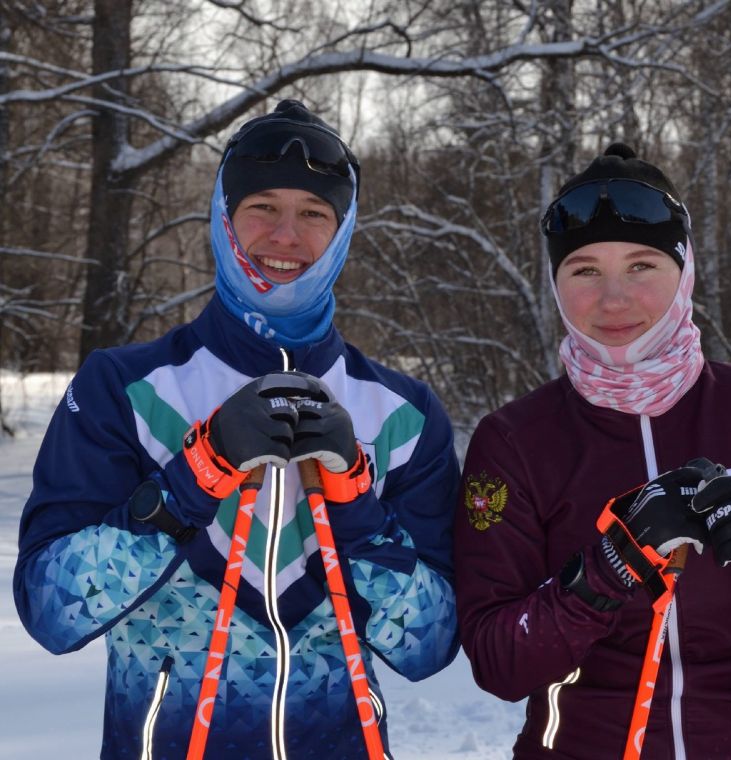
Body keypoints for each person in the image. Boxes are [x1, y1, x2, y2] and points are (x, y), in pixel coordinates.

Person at [14, 100, 460, 760]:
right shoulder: (125, 388)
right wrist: (190, 482)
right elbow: (53, 610)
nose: (286, 236)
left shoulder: (401, 413)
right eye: (262, 208)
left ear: (342, 233)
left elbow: (430, 643)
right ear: (223, 220)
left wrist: (358, 510)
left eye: (314, 214)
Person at [452, 143, 731, 759]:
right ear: (555, 283)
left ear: (683, 272)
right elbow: (499, 660)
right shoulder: (517, 439)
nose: (613, 299)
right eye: (584, 271)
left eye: (641, 266)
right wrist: (609, 567)